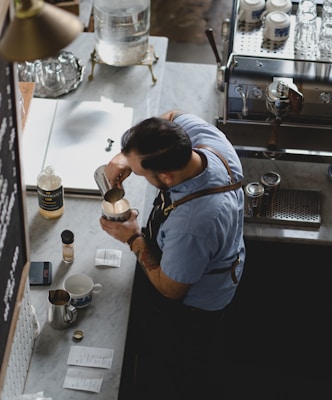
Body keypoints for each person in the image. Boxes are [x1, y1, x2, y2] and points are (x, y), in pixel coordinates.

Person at [100, 110, 245, 400]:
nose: (135, 173)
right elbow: (171, 115)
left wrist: (133, 238)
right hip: (217, 254)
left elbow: (171, 289)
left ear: (166, 176)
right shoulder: (208, 141)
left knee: (176, 368)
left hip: (196, 306)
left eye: (141, 174)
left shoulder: (193, 225)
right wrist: (124, 156)